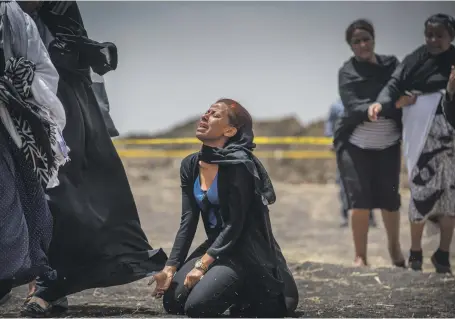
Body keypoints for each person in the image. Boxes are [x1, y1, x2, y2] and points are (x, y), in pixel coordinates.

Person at [19, 2, 168, 316]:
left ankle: (49, 286)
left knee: (60, 197)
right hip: (14, 101)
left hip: (57, 102)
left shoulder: (52, 22)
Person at [149, 98, 299, 318]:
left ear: (229, 130)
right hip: (219, 247)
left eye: (215, 114)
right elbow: (188, 221)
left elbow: (236, 225)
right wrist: (170, 268)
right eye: (207, 111)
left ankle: (247, 290)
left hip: (247, 250)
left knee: (197, 308)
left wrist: (201, 266)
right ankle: (225, 286)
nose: (205, 116)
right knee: (173, 302)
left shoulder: (239, 166)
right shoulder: (190, 165)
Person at [369, 14, 455, 274]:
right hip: (420, 137)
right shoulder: (415, 59)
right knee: (420, 192)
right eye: (429, 35)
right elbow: (393, 85)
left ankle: (443, 254)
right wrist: (380, 103)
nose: (433, 40)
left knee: (451, 194)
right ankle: (415, 251)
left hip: (451, 138)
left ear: (451, 36)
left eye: (439, 35)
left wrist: (451, 91)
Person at [0, 0, 69, 306]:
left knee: (19, 203)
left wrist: (16, 84)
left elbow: (39, 68)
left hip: (9, 122)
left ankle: (34, 283)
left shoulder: (11, 15)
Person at [334, 19, 415, 268]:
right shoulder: (347, 72)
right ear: (351, 46)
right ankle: (361, 256)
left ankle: (395, 250)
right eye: (356, 42)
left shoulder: (392, 65)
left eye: (365, 39)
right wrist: (386, 105)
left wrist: (387, 104)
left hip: (388, 143)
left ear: (373, 39)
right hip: (355, 144)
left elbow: (407, 93)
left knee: (390, 200)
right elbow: (352, 105)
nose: (362, 45)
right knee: (360, 201)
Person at [325, 98, 376, 228]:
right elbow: (330, 123)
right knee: (344, 183)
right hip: (343, 148)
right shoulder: (336, 106)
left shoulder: (364, 103)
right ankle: (345, 215)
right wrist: (331, 139)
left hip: (363, 147)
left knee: (365, 181)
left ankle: (369, 216)